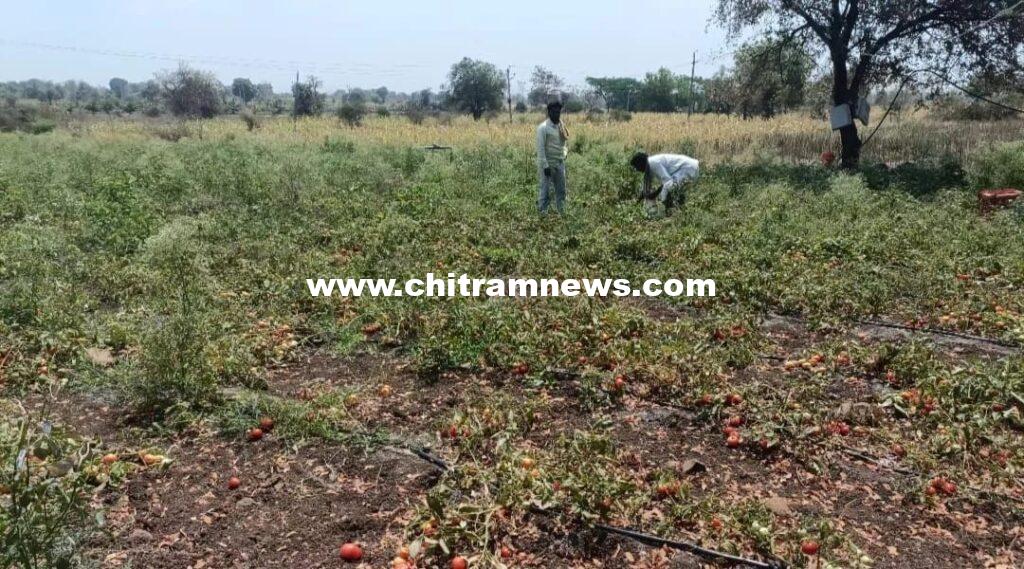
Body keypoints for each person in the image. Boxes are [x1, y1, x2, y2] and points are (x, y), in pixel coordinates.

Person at [629, 152, 700, 213]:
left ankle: (666, 213)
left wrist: (655, 194)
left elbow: (667, 181)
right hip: (688, 168)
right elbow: (645, 189)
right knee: (675, 191)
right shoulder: (649, 165)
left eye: (636, 167)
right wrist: (636, 204)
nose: (637, 170)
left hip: (688, 168)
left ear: (640, 163)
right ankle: (677, 211)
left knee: (666, 190)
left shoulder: (653, 163)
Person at [536, 93, 569, 215]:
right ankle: (542, 215)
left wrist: (564, 154)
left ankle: (563, 213)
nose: (556, 114)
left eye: (558, 112)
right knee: (545, 192)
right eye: (554, 112)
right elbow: (540, 149)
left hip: (560, 164)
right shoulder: (543, 128)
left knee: (561, 191)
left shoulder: (561, 126)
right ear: (549, 112)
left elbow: (564, 144)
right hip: (547, 166)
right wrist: (545, 166)